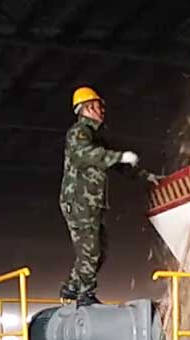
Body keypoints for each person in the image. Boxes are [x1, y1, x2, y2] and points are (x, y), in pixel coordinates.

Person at [59, 86, 140, 306]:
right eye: (94, 106)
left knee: (98, 251)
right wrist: (120, 156)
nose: (100, 110)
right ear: (83, 109)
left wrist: (146, 176)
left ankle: (72, 288)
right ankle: (85, 295)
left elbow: (116, 164)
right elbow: (89, 155)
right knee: (90, 251)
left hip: (91, 203)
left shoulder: (96, 137)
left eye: (100, 106)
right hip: (79, 201)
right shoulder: (79, 133)